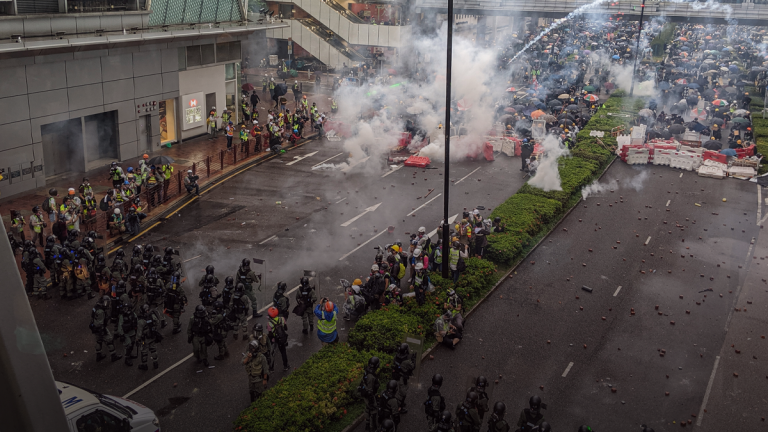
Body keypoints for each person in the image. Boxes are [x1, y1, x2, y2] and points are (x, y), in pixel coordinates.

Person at [90, 295, 122, 362]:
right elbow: (100, 323)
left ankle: (98, 355)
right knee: (109, 340)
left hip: (94, 327)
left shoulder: (96, 306)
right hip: (100, 329)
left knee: (99, 341)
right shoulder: (101, 311)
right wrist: (103, 331)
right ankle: (113, 356)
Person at [391, 343, 415, 413]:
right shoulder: (406, 361)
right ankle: (400, 407)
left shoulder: (396, 356)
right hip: (402, 377)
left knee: (396, 390)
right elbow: (413, 366)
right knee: (403, 393)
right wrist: (413, 359)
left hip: (396, 375)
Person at [188, 305, 213, 369]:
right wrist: (189, 336)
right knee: (196, 349)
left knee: (204, 349)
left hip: (203, 336)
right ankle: (198, 357)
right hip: (195, 336)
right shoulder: (192, 319)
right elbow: (189, 328)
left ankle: (205, 359)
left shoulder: (206, 318)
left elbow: (210, 325)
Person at [136, 304, 161, 370]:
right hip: (152, 336)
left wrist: (137, 339)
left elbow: (139, 332)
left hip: (145, 339)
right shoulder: (152, 316)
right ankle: (155, 362)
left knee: (144, 352)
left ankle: (144, 365)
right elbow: (157, 322)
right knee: (153, 349)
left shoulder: (141, 321)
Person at [359, 356, 381, 432]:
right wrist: (372, 401)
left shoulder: (367, 370)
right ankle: (373, 427)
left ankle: (367, 425)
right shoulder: (371, 377)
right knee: (373, 411)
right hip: (369, 396)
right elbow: (370, 390)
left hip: (365, 394)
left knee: (367, 409)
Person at [267, 306, 290, 371]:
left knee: (272, 353)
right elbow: (286, 328)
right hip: (282, 338)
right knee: (283, 352)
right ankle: (285, 366)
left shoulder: (269, 323)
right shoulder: (282, 319)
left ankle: (271, 367)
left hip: (275, 339)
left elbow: (270, 334)